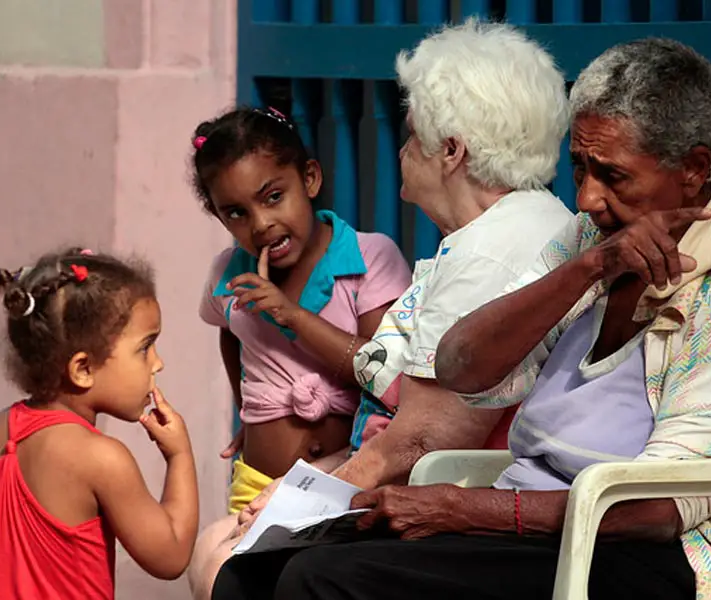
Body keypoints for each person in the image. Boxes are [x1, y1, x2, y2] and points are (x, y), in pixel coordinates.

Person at [211, 39, 711, 600]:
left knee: (323, 581)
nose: (589, 198)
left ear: (693, 170)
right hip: (538, 520)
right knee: (252, 574)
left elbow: (652, 508)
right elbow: (463, 366)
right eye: (579, 169)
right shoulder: (586, 243)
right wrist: (590, 267)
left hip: (661, 555)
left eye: (613, 175)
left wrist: (458, 509)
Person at [193, 19, 577, 599]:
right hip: (420, 481)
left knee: (234, 568)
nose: (400, 150)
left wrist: (306, 498)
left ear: (451, 152)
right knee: (221, 549)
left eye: (411, 136)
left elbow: (420, 443)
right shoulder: (502, 231)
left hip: (452, 496)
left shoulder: (493, 256)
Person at [192, 106, 412, 514]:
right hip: (254, 486)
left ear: (309, 179)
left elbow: (383, 373)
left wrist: (290, 314)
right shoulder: (228, 272)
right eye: (236, 212)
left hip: (345, 479)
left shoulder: (368, 257)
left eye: (273, 197)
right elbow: (230, 330)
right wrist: (252, 405)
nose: (260, 224)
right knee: (238, 573)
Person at [0, 248, 199, 599]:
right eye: (145, 347)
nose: (158, 363)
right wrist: (180, 456)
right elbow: (171, 554)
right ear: (83, 369)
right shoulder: (101, 459)